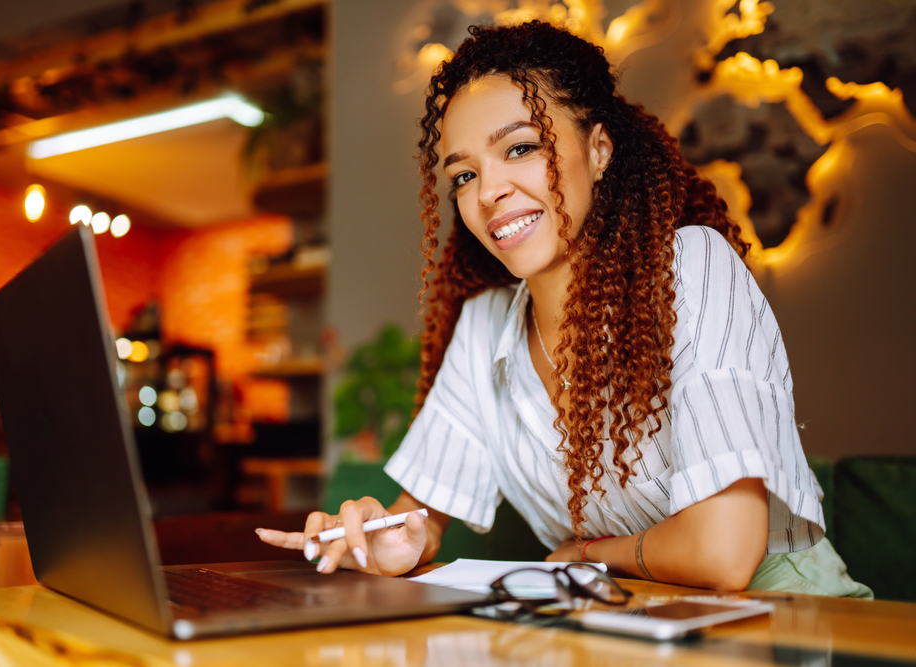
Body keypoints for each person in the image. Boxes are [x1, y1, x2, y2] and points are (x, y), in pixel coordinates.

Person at [258, 21, 871, 597]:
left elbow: (725, 552)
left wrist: (594, 554)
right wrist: (387, 537)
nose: (489, 192)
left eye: (521, 148)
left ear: (599, 149)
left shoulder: (690, 269)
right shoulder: (483, 331)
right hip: (614, 623)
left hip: (786, 616)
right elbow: (419, 522)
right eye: (464, 175)